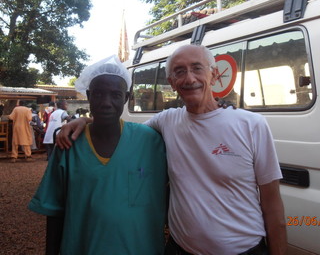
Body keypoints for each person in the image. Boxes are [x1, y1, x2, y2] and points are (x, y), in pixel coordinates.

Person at [56, 45, 287, 255]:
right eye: (179, 72)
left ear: (213, 74)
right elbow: (121, 132)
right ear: (172, 82)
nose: (189, 78)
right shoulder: (167, 121)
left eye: (197, 68)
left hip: (244, 250)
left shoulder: (251, 124)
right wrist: (84, 121)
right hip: (180, 249)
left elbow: (272, 203)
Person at [28, 55, 168, 255]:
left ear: (127, 98)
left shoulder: (150, 141)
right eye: (99, 94)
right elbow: (55, 210)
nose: (106, 102)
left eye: (115, 95)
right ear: (88, 95)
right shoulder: (69, 144)